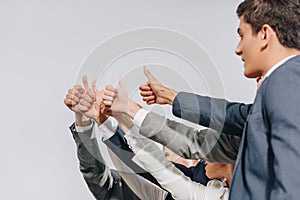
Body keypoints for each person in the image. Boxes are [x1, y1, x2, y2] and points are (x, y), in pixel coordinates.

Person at [137, 1, 300, 199]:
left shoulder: (286, 78)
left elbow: (292, 178)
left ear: (264, 34)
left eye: (242, 35)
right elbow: (231, 114)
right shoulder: (283, 81)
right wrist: (171, 97)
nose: (238, 49)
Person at [102, 78, 233, 200]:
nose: (202, 158)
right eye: (166, 154)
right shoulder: (211, 186)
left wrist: (130, 111)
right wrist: (120, 117)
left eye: (207, 149)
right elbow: (156, 168)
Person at [64, 78, 169, 200]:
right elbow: (97, 177)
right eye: (166, 156)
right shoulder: (131, 187)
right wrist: (85, 124)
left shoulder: (190, 189)